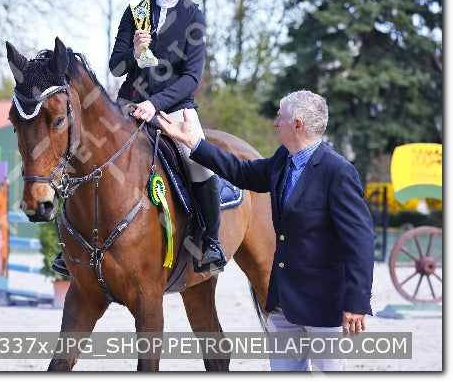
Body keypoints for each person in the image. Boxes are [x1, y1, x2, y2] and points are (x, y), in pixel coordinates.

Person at [157, 90, 374, 371]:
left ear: (298, 125)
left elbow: (360, 241)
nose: (275, 123)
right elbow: (241, 172)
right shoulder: (284, 159)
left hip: (323, 304)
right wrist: (194, 143)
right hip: (283, 303)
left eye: (280, 117)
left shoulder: (338, 172)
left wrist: (356, 302)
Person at [53, 0, 226, 277]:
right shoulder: (137, 9)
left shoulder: (194, 17)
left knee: (199, 163)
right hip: (128, 106)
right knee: (82, 155)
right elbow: (116, 66)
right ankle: (68, 244)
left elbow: (191, 77)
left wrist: (157, 104)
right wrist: (133, 53)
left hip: (175, 109)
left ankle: (210, 241)